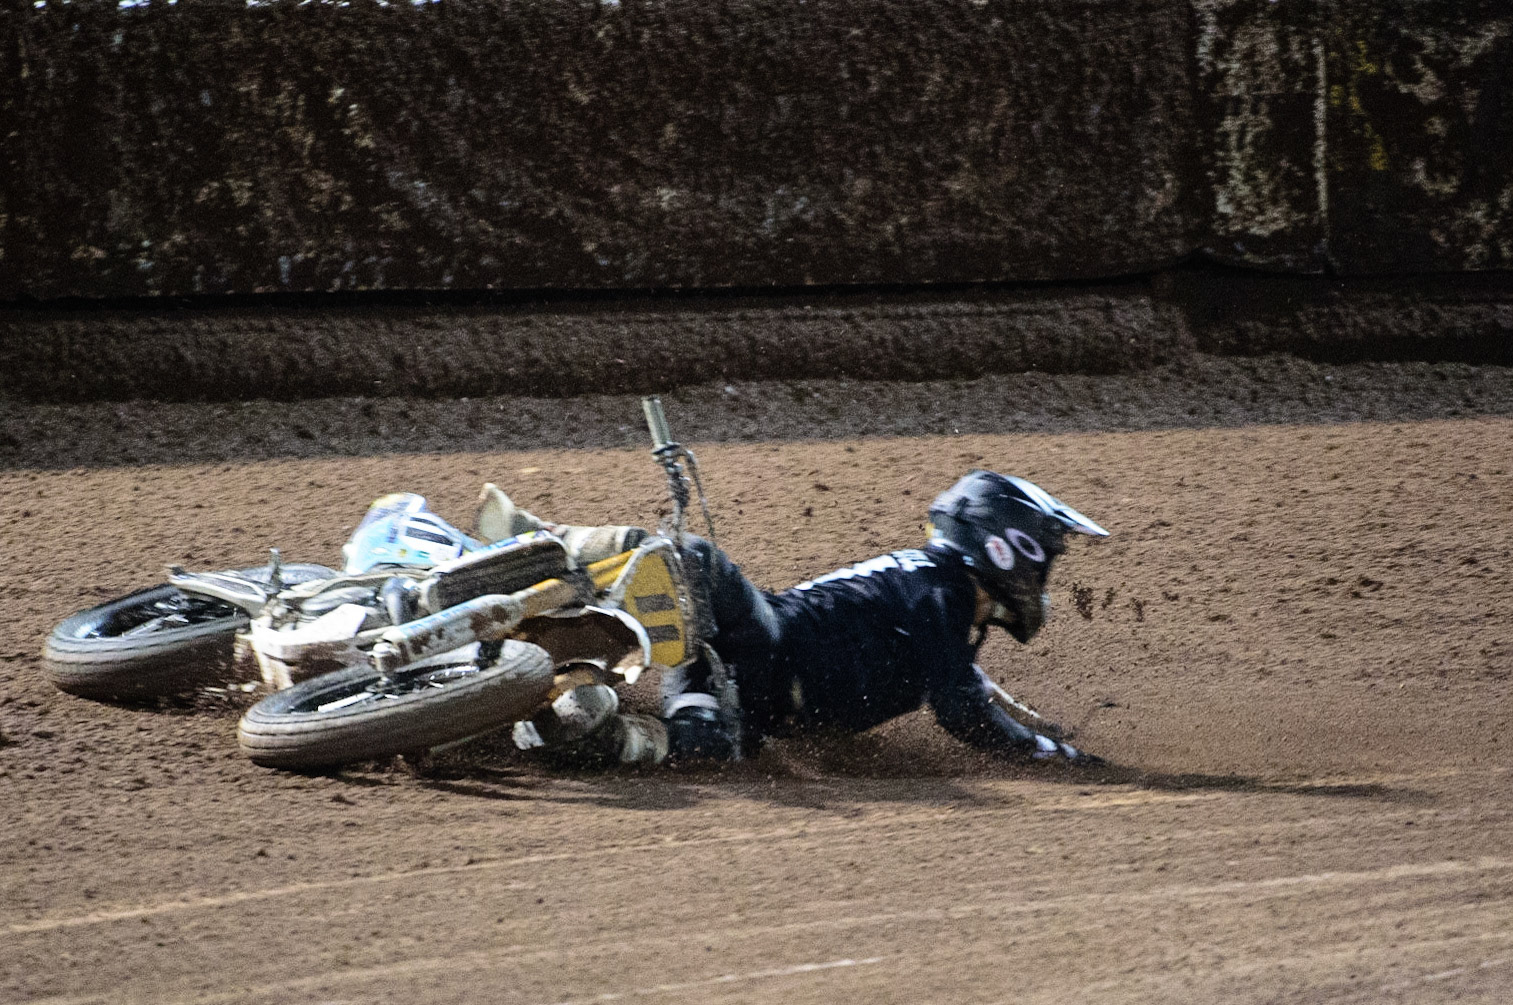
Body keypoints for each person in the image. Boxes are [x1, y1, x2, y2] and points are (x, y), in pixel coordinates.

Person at [483, 470, 1108, 767]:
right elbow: (965, 709)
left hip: (740, 688)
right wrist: (1053, 755)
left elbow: (977, 691)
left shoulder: (944, 622)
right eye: (1047, 555)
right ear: (1006, 546)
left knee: (695, 752)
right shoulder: (937, 590)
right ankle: (545, 544)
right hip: (759, 636)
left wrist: (1044, 728)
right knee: (692, 560)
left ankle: (547, 719)